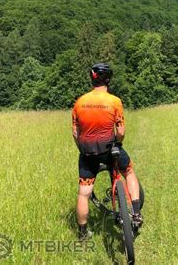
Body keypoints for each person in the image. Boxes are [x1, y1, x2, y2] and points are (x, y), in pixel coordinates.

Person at [72, 62, 143, 240]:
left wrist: (82, 148)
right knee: (128, 172)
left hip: (88, 153)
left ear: (92, 79)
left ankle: (82, 234)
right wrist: (118, 143)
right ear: (108, 80)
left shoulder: (79, 102)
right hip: (109, 149)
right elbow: (120, 131)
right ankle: (135, 214)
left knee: (83, 193)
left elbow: (75, 132)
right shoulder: (114, 101)